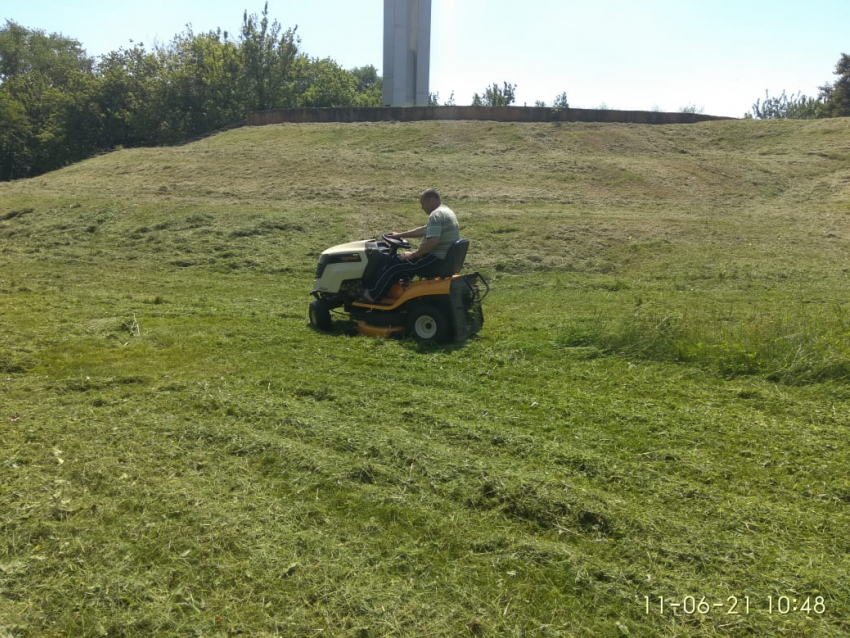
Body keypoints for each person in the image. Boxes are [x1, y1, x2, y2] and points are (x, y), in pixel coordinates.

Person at [362, 189, 460, 302]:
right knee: (402, 260)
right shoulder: (446, 212)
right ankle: (399, 288)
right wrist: (399, 235)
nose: (422, 207)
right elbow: (423, 230)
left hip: (435, 259)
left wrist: (414, 254)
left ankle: (373, 295)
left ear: (432, 200)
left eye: (423, 203)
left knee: (395, 264)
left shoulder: (436, 215)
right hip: (443, 258)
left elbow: (433, 241)